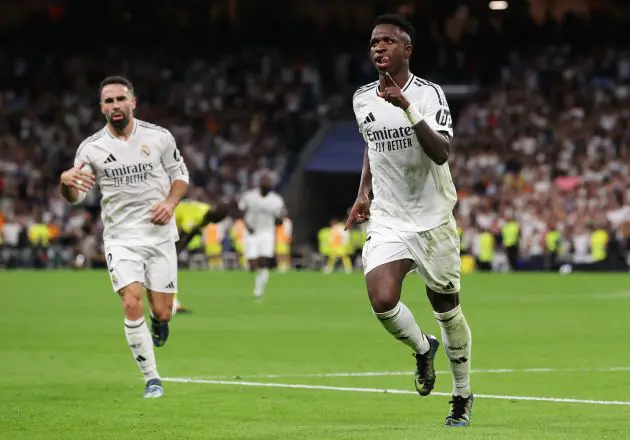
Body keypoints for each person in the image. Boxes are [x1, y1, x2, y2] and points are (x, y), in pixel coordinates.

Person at [346, 15, 473, 426]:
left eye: (387, 41)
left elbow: (441, 153)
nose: (378, 48)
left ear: (407, 50)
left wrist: (407, 108)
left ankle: (461, 394)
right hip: (389, 216)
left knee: (447, 308)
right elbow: (371, 146)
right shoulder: (362, 98)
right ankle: (422, 349)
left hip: (433, 218)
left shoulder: (430, 94)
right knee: (382, 299)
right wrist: (363, 192)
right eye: (373, 42)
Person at [59, 76, 189, 399]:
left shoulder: (159, 137)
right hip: (120, 238)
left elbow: (180, 174)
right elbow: (73, 196)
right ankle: (152, 379)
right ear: (101, 107)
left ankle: (160, 322)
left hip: (158, 236)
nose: (115, 106)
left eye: (120, 99)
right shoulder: (91, 149)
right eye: (108, 101)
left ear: (133, 102)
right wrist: (65, 181)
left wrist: (171, 203)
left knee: (162, 311)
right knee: (131, 300)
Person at [238, 171, 286, 300]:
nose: (266, 183)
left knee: (264, 262)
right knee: (253, 265)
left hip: (267, 233)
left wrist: (280, 219)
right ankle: (257, 281)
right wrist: (247, 225)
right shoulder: (249, 196)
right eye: (264, 180)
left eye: (268, 181)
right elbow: (240, 210)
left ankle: (258, 292)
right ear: (259, 183)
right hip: (251, 233)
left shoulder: (276, 200)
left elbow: (280, 217)